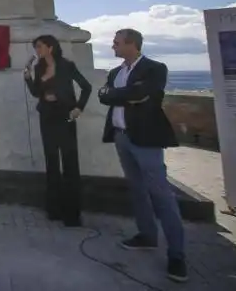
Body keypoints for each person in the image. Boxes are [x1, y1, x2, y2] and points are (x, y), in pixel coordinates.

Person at [98, 28, 187, 283]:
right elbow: (104, 96)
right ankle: (147, 235)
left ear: (132, 44)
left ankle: (177, 255)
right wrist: (123, 95)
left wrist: (117, 95)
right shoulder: (115, 73)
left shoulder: (155, 68)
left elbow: (144, 95)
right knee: (137, 189)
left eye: (116, 43)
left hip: (145, 139)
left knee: (161, 194)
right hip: (121, 136)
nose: (112, 46)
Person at [23, 35, 91, 227]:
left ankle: (72, 213)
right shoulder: (39, 68)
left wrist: (79, 107)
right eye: (35, 47)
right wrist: (28, 78)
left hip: (65, 117)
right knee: (52, 162)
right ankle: (54, 209)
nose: (37, 51)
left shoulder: (67, 66)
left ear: (50, 47)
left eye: (39, 46)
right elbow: (37, 93)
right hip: (47, 118)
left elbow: (86, 87)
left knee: (70, 164)